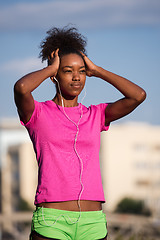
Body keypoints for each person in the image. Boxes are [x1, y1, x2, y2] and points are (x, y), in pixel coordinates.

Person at [14, 26, 146, 240]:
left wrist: (98, 70)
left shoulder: (96, 114)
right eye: (67, 71)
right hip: (52, 222)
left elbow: (138, 95)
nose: (76, 77)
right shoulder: (38, 113)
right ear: (54, 76)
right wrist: (50, 68)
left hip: (93, 223)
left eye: (81, 71)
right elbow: (21, 87)